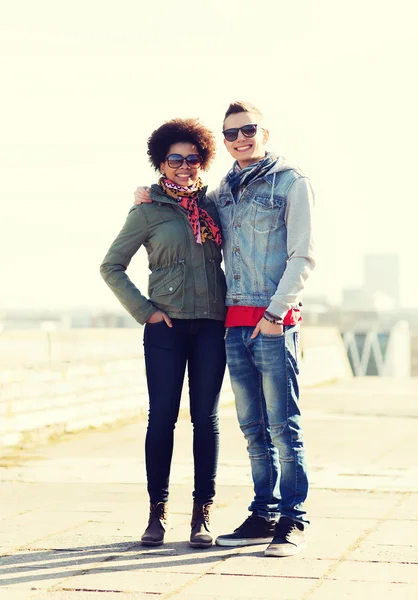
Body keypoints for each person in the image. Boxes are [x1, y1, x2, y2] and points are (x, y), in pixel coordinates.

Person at [134, 101, 315, 557]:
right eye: (231, 133)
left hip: (272, 321)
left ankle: (293, 520)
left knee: (283, 427)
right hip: (231, 323)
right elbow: (182, 203)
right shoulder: (224, 193)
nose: (240, 138)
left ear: (265, 132)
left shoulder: (292, 182)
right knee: (252, 428)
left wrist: (275, 315)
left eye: (248, 130)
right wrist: (147, 193)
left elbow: (304, 256)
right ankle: (263, 513)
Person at [100, 118, 227, 549]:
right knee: (162, 419)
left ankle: (202, 515)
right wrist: (146, 312)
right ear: (161, 161)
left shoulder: (215, 204)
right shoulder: (146, 210)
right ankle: (157, 513)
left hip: (211, 324)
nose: (185, 166)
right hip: (166, 328)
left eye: (193, 159)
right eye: (176, 159)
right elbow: (111, 266)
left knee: (206, 420)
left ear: (202, 161)